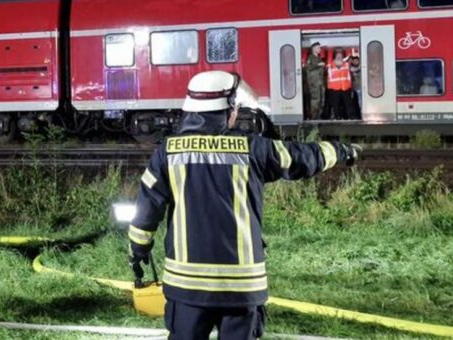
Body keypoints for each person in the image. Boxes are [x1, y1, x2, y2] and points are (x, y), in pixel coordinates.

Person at [127, 70, 360, 340]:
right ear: (229, 111)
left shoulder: (167, 153)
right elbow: (304, 157)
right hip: (242, 287)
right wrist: (343, 151)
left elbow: (146, 211)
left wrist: (138, 250)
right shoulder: (254, 149)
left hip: (186, 286)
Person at [323, 49, 356, 120]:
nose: (339, 57)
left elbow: (351, 72)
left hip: (346, 87)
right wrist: (329, 89)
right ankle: (337, 117)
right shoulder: (330, 66)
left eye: (341, 56)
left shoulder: (346, 65)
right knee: (335, 105)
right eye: (338, 56)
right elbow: (327, 77)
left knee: (349, 104)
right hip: (334, 89)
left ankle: (351, 117)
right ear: (335, 57)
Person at [304, 42, 325, 119]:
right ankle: (314, 119)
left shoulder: (318, 58)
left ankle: (318, 117)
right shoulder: (311, 58)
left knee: (321, 101)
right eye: (318, 48)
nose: (320, 49)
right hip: (314, 84)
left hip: (320, 83)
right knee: (315, 101)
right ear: (314, 49)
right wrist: (318, 65)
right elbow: (308, 68)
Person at [349, 53, 362, 118]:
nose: (355, 62)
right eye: (354, 61)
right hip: (356, 88)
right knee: (358, 102)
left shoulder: (362, 68)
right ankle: (359, 114)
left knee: (360, 102)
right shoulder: (352, 68)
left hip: (361, 88)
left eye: (357, 60)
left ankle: (361, 114)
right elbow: (353, 69)